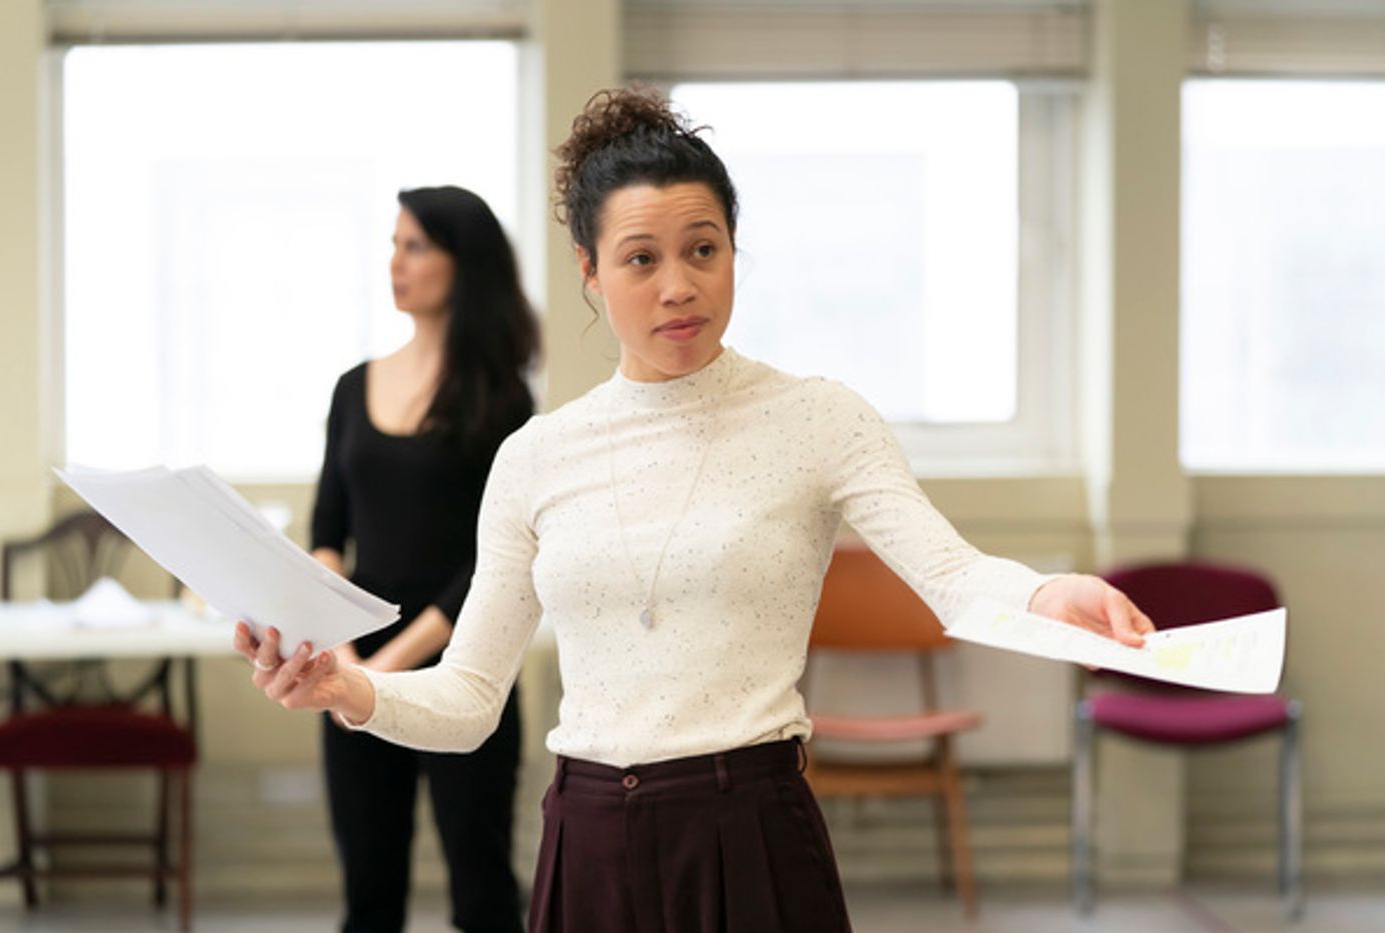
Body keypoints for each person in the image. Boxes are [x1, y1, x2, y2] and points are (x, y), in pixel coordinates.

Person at [237, 89, 1154, 933]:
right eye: (641, 258)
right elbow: (472, 697)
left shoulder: (817, 417)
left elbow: (953, 578)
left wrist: (1046, 598)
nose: (678, 285)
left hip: (748, 826)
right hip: (588, 837)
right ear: (591, 271)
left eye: (703, 249)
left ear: (732, 251)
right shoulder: (536, 456)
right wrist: (349, 690)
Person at [306, 186, 538, 933]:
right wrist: (348, 662)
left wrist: (391, 667)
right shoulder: (352, 387)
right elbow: (327, 534)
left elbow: (491, 561)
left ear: (460, 263)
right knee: (369, 890)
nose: (395, 263)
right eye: (393, 244)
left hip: (464, 664)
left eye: (415, 246)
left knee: (483, 888)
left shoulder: (501, 399)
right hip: (354, 662)